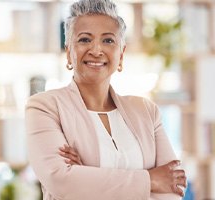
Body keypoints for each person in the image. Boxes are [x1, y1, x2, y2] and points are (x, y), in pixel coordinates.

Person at [25, 0, 187, 199]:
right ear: (68, 52)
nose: (96, 50)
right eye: (85, 39)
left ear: (121, 54)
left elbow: (174, 187)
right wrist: (150, 180)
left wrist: (86, 179)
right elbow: (61, 180)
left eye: (108, 40)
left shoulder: (146, 111)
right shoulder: (45, 107)